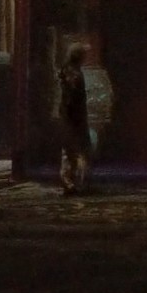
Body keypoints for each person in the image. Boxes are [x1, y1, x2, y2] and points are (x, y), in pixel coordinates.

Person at [56, 59, 90, 194]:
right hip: (75, 123)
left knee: (72, 153)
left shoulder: (69, 88)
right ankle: (75, 183)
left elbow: (68, 107)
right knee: (76, 153)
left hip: (72, 123)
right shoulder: (76, 80)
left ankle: (72, 182)